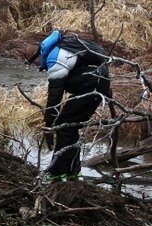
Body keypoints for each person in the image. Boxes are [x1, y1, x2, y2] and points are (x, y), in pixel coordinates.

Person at [24, 30, 111, 180]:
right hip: (95, 85)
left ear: (38, 55)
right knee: (70, 127)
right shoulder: (60, 49)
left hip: (90, 87)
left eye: (35, 62)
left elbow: (54, 97)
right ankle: (73, 172)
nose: (36, 66)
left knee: (64, 125)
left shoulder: (54, 58)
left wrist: (49, 125)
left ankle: (56, 173)